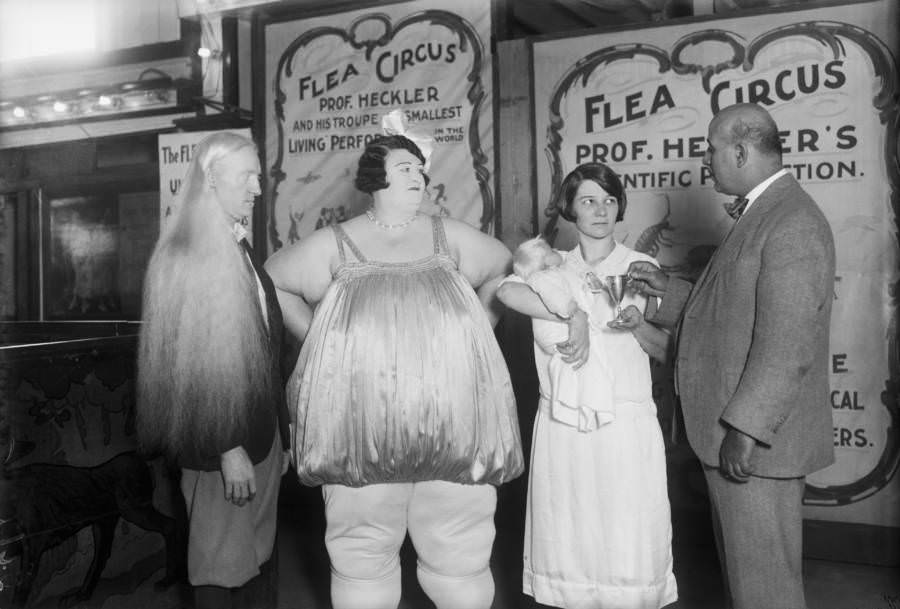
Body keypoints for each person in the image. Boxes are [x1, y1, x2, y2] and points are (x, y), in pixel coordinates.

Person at [265, 117, 523, 609]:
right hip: (361, 431)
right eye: (404, 168)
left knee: (461, 550)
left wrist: (475, 330)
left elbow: (503, 268)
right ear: (374, 179)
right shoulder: (336, 243)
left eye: (420, 170)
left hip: (452, 428)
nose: (417, 178)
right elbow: (270, 282)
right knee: (361, 550)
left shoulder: (450, 236)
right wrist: (320, 339)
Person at [628, 103, 836, 609]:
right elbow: (730, 311)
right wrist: (666, 290)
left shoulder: (791, 222)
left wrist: (746, 431)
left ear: (741, 150)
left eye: (711, 148)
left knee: (765, 589)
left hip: (756, 445)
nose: (705, 158)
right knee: (749, 584)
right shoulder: (766, 212)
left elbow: (786, 343)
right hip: (742, 437)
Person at [497, 162, 678, 609]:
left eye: (610, 200)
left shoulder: (642, 267)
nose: (600, 210)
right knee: (568, 541)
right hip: (564, 421)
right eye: (588, 201)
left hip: (625, 420)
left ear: (620, 209)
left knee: (626, 541)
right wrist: (572, 313)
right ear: (569, 211)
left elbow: (668, 352)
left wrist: (636, 326)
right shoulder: (549, 267)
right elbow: (504, 292)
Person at [136, 132, 291, 609]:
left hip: (260, 440)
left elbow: (264, 353)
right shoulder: (184, 256)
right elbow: (190, 366)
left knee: (256, 565)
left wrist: (280, 435)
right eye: (246, 176)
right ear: (210, 177)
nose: (258, 189)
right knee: (220, 571)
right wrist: (227, 447)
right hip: (224, 445)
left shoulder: (238, 250)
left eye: (258, 176)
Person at [510, 235, 615, 431]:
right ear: (546, 260)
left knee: (588, 366)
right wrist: (572, 311)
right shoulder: (542, 277)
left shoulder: (559, 273)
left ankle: (587, 406)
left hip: (565, 331)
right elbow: (556, 297)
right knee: (583, 367)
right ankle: (581, 407)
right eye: (552, 251)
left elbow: (577, 287)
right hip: (557, 332)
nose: (557, 252)